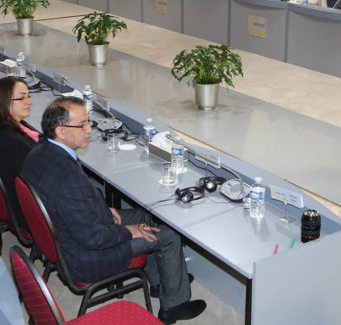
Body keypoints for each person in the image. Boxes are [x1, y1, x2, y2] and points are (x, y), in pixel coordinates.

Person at [21, 97, 207, 324]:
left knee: (148, 216)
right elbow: (93, 237)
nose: (89, 130)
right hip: (85, 255)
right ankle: (174, 306)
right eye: (83, 125)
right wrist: (129, 231)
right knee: (167, 235)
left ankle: (163, 282)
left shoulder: (39, 152)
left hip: (75, 232)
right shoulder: (67, 178)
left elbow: (77, 202)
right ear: (61, 130)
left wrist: (104, 207)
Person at [0, 77, 39, 231]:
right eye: (22, 98)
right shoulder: (14, 143)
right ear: (5, 102)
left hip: (17, 208)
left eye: (29, 96)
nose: (29, 101)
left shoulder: (9, 129)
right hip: (30, 217)